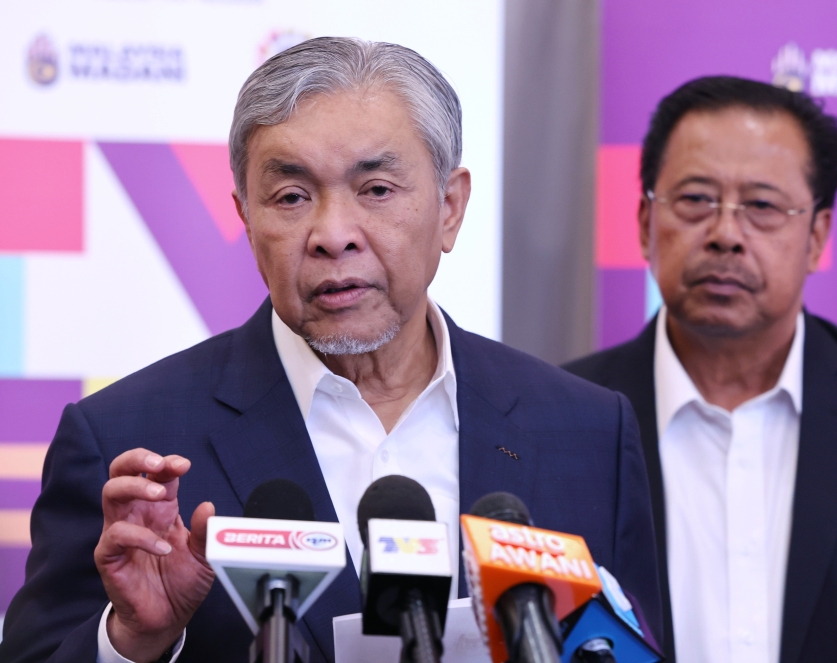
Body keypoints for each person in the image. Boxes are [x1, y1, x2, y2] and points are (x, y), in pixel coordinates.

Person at [0, 37, 661, 663]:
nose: (333, 233)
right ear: (246, 217)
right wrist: (131, 641)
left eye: (376, 190)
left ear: (450, 207)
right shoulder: (128, 445)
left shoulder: (587, 432)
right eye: (291, 196)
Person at [564, 76, 837, 663]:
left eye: (763, 206)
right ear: (644, 222)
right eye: (695, 199)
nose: (725, 235)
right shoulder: (561, 418)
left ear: (817, 236)